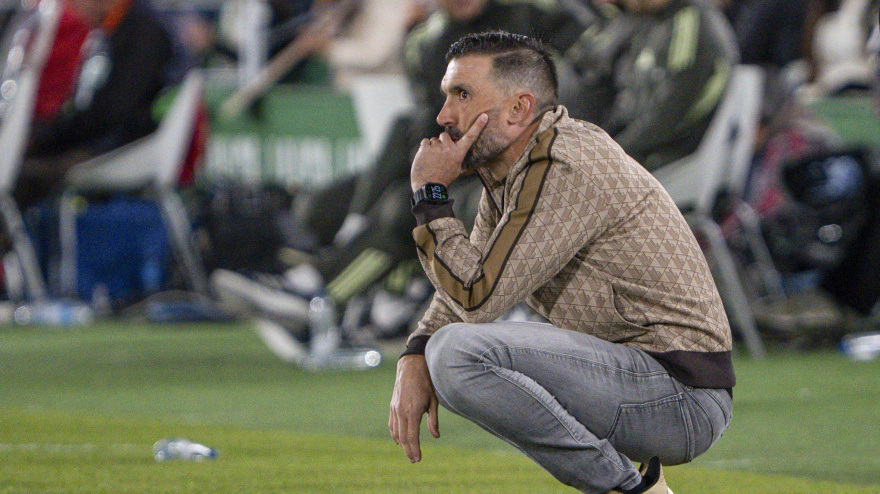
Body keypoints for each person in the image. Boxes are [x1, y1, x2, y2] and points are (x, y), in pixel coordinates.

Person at [388, 31, 734, 494]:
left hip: (678, 394)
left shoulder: (563, 164)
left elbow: (477, 298)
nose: (444, 115)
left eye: (462, 95)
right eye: (447, 95)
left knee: (459, 354)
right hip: (639, 378)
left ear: (518, 108)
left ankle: (627, 489)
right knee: (444, 349)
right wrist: (415, 351)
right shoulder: (521, 164)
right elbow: (470, 281)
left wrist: (430, 199)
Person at [211, 0, 588, 334]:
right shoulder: (428, 43)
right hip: (466, 162)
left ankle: (325, 295)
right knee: (329, 201)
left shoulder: (541, 19)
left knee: (402, 208)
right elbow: (431, 125)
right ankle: (337, 270)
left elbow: (578, 97)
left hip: (529, 164)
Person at [17, 0, 173, 208]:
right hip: (106, 143)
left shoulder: (141, 31)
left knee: (19, 174)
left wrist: (44, 138)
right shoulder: (119, 29)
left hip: (117, 149)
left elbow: (108, 114)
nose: (72, 5)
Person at [565, 0, 738, 171]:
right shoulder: (653, 19)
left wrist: (605, 154)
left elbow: (666, 118)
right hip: (622, 147)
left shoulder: (692, 25)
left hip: (658, 162)